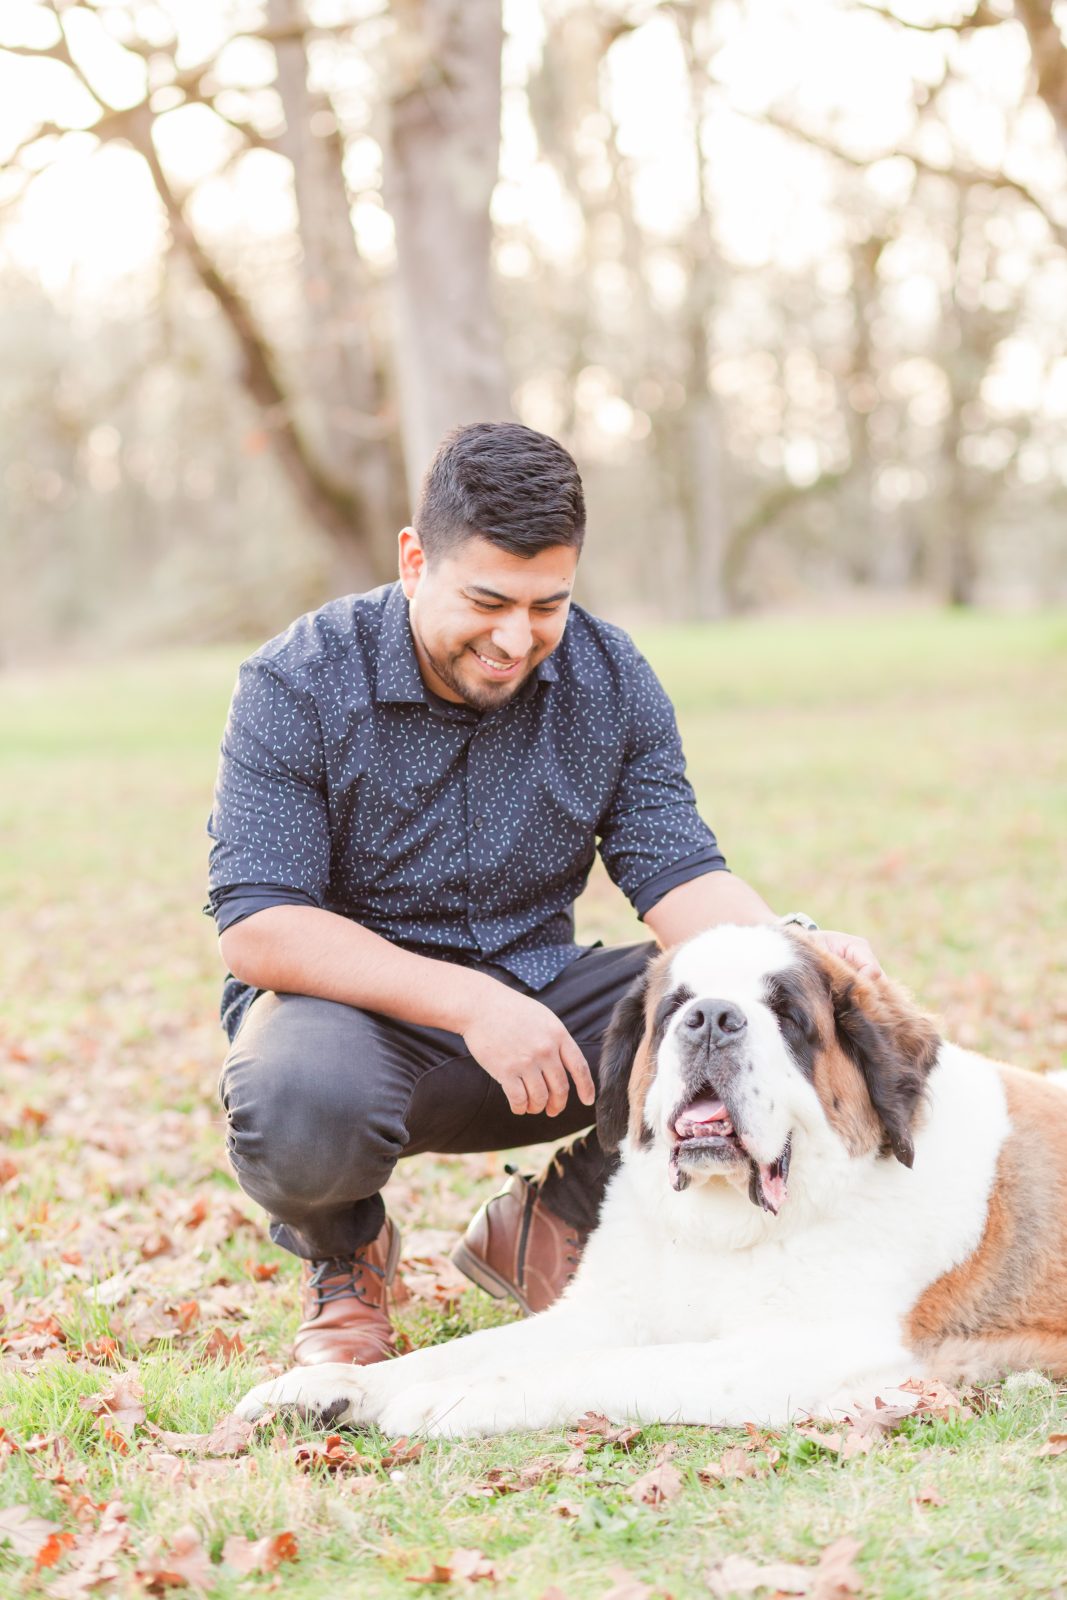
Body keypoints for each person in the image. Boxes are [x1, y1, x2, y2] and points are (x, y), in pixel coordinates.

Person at [206, 421, 880, 1368]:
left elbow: (676, 868)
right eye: (486, 600)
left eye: (546, 604)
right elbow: (259, 925)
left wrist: (797, 955)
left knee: (732, 1007)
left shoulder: (610, 678)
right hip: (349, 1028)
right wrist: (473, 1002)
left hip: (544, 1025)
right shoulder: (298, 681)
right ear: (413, 559)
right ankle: (344, 1252)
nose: (514, 638)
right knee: (296, 1103)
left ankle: (556, 1220)